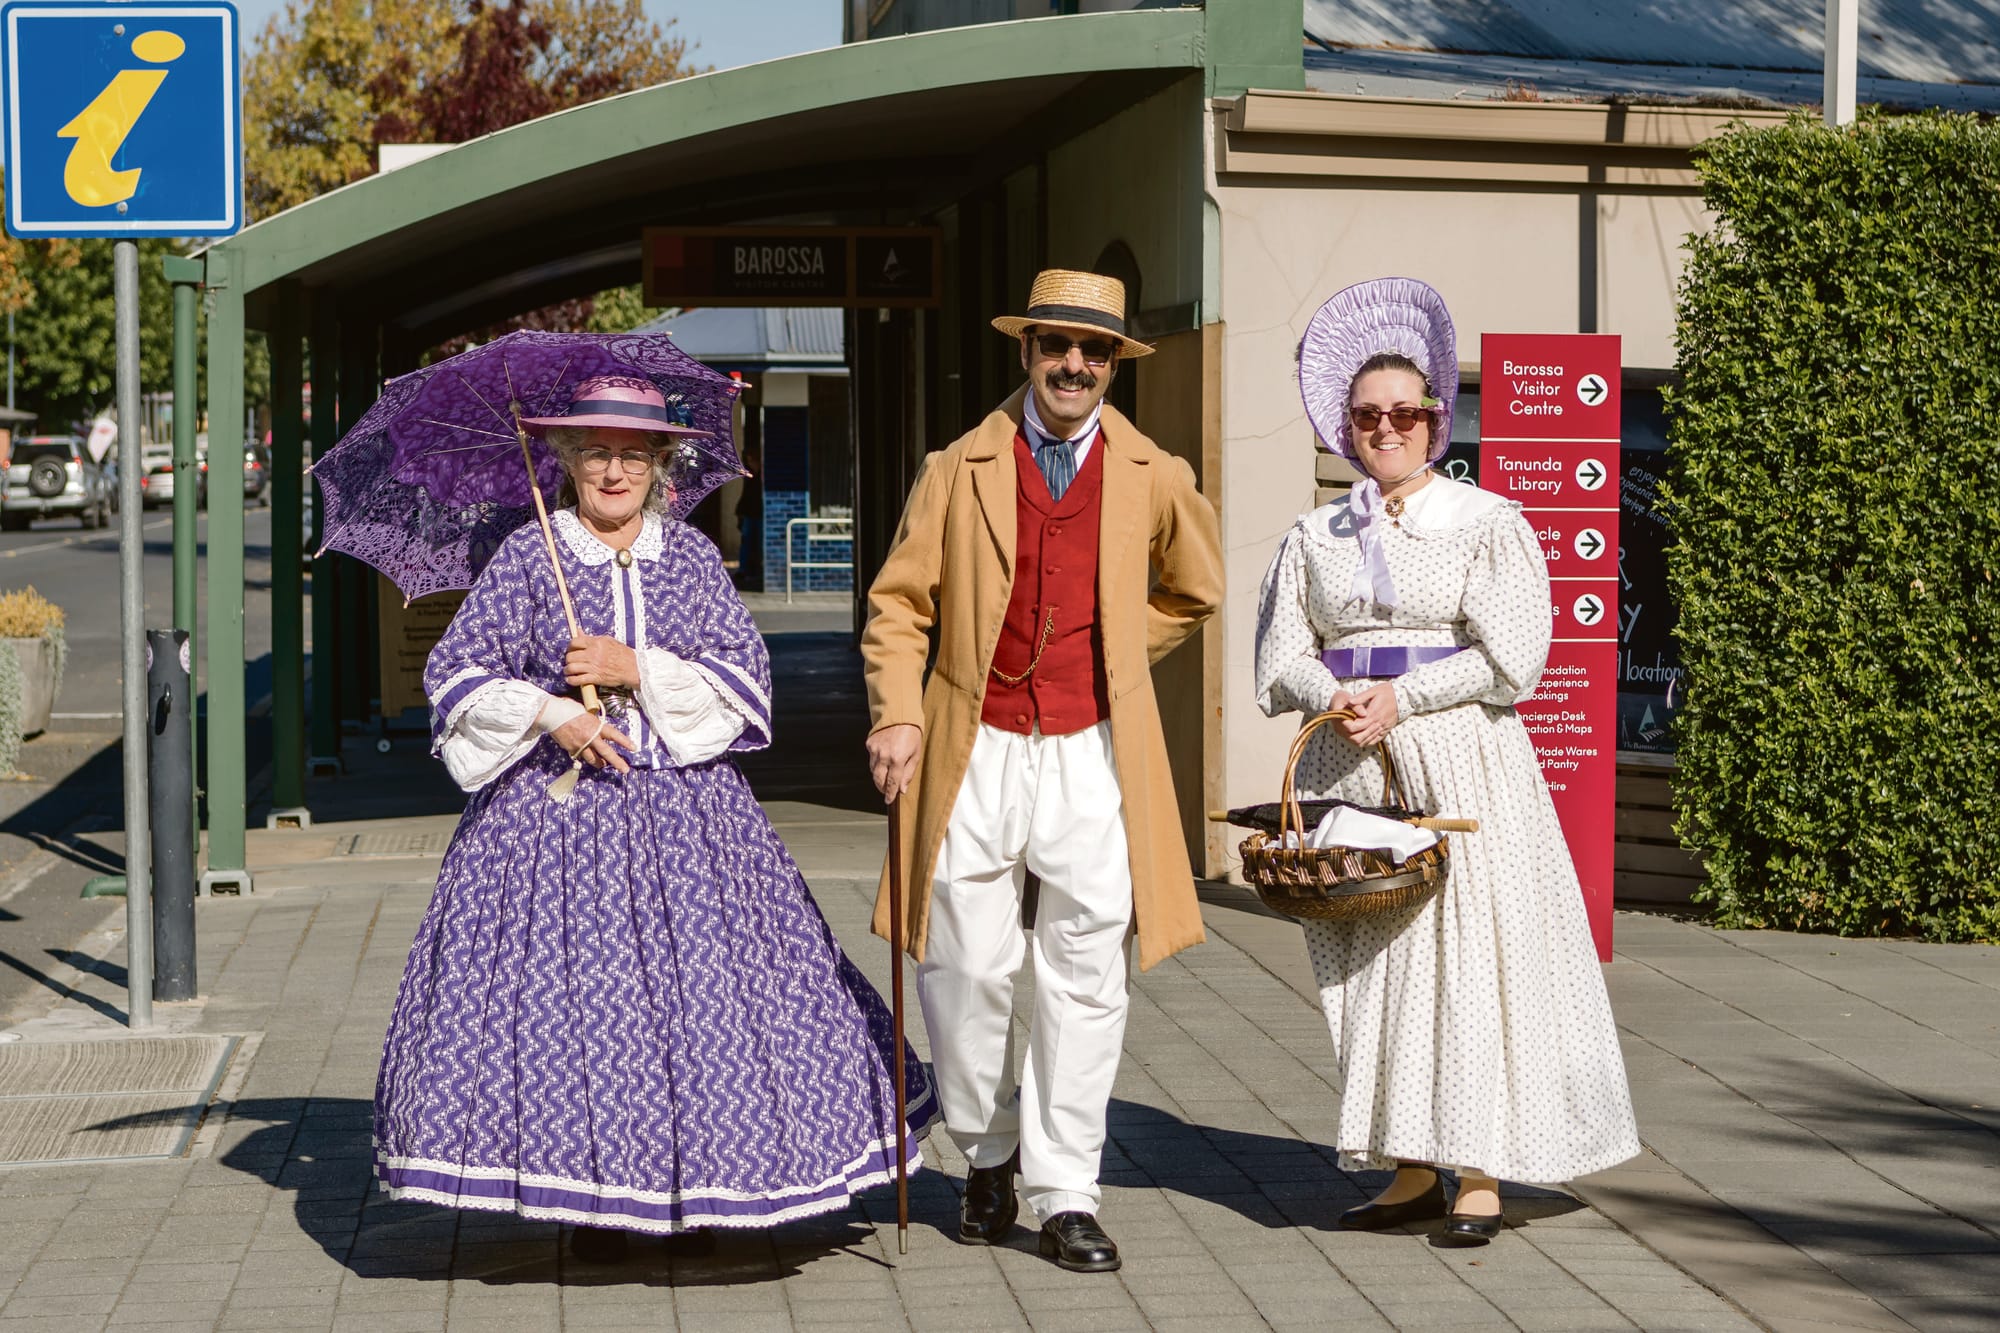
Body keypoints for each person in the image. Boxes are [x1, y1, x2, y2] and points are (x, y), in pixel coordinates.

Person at [373, 375, 936, 1262]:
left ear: (660, 464)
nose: (612, 469)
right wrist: (556, 712)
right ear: (564, 460)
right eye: (595, 451)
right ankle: (598, 1206)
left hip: (693, 824)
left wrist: (632, 665)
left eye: (633, 453)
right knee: (578, 1014)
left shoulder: (695, 561)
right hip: (554, 828)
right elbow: (455, 676)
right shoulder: (530, 557)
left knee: (711, 1004)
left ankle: (708, 1190)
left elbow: (747, 684)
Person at [1253, 279, 1639, 1245]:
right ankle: (1410, 1162)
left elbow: (1515, 656)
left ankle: (1478, 1171)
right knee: (1378, 964)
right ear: (1346, 426)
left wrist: (1405, 695)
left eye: (1403, 414)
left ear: (1433, 422)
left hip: (1462, 758)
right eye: (1367, 415)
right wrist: (1331, 693)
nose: (1386, 428)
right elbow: (1278, 657)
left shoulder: (1487, 520)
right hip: (1353, 767)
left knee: (1468, 957)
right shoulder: (1316, 534)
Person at [862, 270, 1223, 1272]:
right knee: (965, 965)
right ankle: (985, 1148)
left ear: (1113, 364)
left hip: (1091, 749)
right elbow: (899, 604)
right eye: (1057, 344)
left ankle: (1065, 1191)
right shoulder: (957, 466)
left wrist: (1118, 650)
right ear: (1025, 351)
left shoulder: (1152, 472)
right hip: (970, 742)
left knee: (1082, 971)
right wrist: (896, 712)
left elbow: (1194, 590)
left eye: (1094, 350)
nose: (1074, 364)